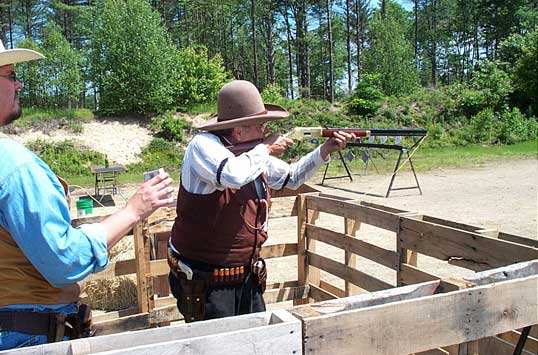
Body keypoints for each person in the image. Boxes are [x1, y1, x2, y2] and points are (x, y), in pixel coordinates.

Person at [0, 40, 174, 350]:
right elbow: (63, 261)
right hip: (26, 335)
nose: (19, 83)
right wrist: (133, 211)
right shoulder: (15, 167)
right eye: (11, 75)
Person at [168, 80, 355, 322]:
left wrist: (325, 149)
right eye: (260, 126)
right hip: (206, 283)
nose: (265, 132)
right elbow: (232, 174)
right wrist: (265, 149)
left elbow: (292, 177)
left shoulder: (252, 154)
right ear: (239, 131)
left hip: (247, 278)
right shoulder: (203, 146)